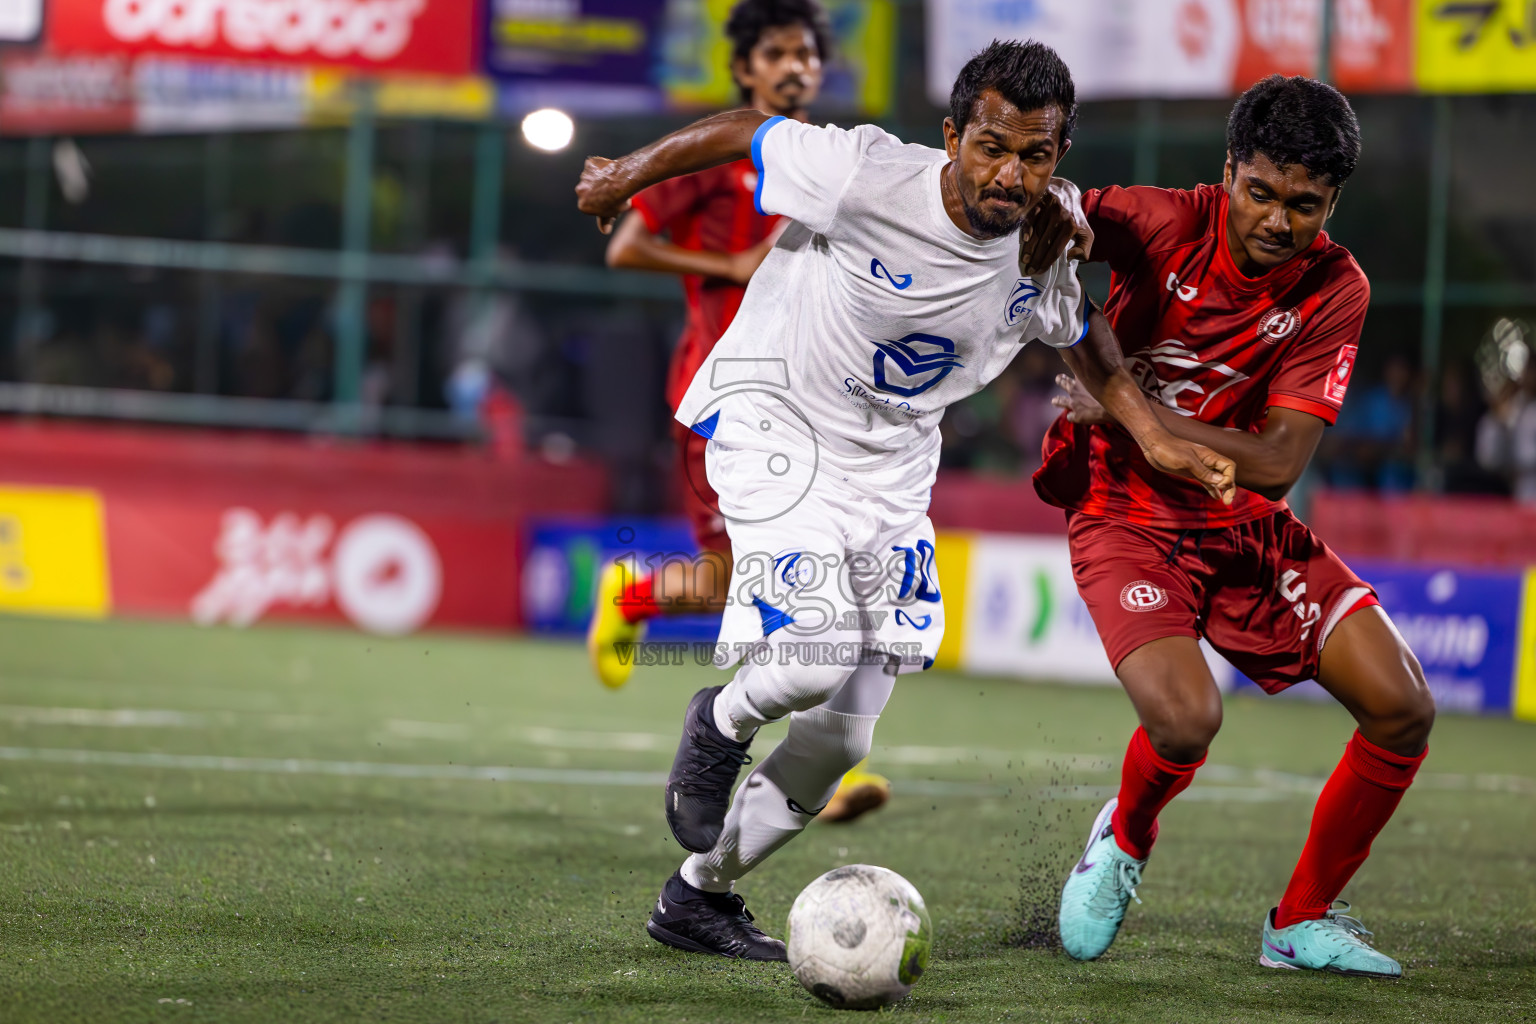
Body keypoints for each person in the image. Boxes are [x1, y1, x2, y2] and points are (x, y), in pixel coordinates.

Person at [578, 39, 1233, 961]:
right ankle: (718, 722)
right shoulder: (865, 172)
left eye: (1035, 155)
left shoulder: (1046, 233)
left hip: (891, 475)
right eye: (991, 146)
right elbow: (744, 130)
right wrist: (623, 176)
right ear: (953, 134)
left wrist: (1156, 434)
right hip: (778, 424)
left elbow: (1078, 330)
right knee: (812, 655)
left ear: (1059, 156)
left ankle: (698, 897)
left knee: (839, 741)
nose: (1010, 174)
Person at [1042, 75, 1436, 977]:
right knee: (1186, 722)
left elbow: (1275, 462)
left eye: (1306, 205)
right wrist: (1055, 209)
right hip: (1125, 514)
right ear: (1229, 172)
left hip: (1244, 522)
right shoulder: (1158, 221)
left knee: (1402, 706)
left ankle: (1299, 921)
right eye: (1260, 191)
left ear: (1331, 203)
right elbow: (1056, 216)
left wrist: (1128, 406)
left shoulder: (1337, 285)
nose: (1276, 220)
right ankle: (1125, 838)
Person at [582, 0, 886, 823]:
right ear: (745, 70)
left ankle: (642, 596)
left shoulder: (831, 164)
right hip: (725, 397)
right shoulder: (719, 155)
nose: (797, 67)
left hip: (811, 402)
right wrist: (729, 262)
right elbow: (626, 246)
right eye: (778, 53)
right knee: (764, 579)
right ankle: (821, 767)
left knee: (749, 578)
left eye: (808, 54)